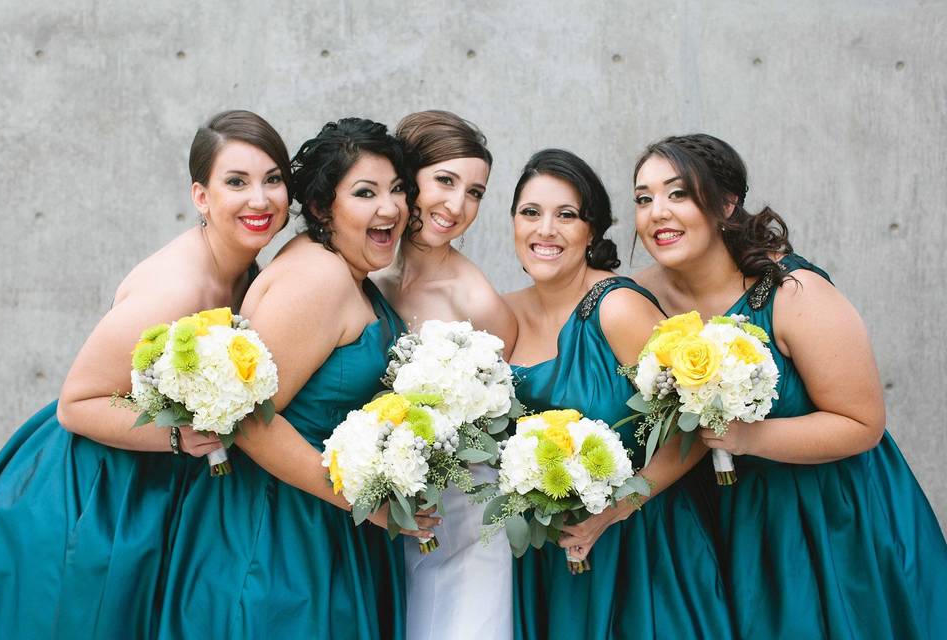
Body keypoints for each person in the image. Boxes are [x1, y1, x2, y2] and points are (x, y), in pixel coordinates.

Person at [0, 110, 292, 638]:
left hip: (161, 473)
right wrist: (179, 433)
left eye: (273, 180)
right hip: (99, 485)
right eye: (236, 182)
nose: (260, 200)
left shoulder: (246, 267)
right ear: (201, 196)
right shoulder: (175, 290)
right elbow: (75, 403)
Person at [631, 133, 947, 639]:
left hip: (825, 514)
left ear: (726, 204)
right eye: (644, 199)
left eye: (678, 194)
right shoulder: (640, 298)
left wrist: (746, 437)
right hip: (720, 519)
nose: (657, 213)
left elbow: (862, 423)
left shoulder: (793, 291)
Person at [155, 117, 437, 639]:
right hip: (278, 537)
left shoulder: (346, 270)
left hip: (315, 521)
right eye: (365, 192)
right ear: (321, 208)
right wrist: (360, 502)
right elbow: (249, 420)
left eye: (397, 189)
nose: (391, 207)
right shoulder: (320, 278)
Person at [506, 149, 734, 639]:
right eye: (531, 213)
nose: (545, 229)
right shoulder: (500, 317)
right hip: (547, 559)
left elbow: (696, 427)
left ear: (592, 231)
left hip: (640, 547)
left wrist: (613, 511)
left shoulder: (618, 309)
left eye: (566, 215)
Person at [373, 110, 516, 640]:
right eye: (445, 181)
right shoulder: (362, 271)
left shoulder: (475, 298)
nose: (457, 207)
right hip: (370, 509)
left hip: (456, 519)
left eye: (475, 192)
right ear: (407, 179)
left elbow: (496, 418)